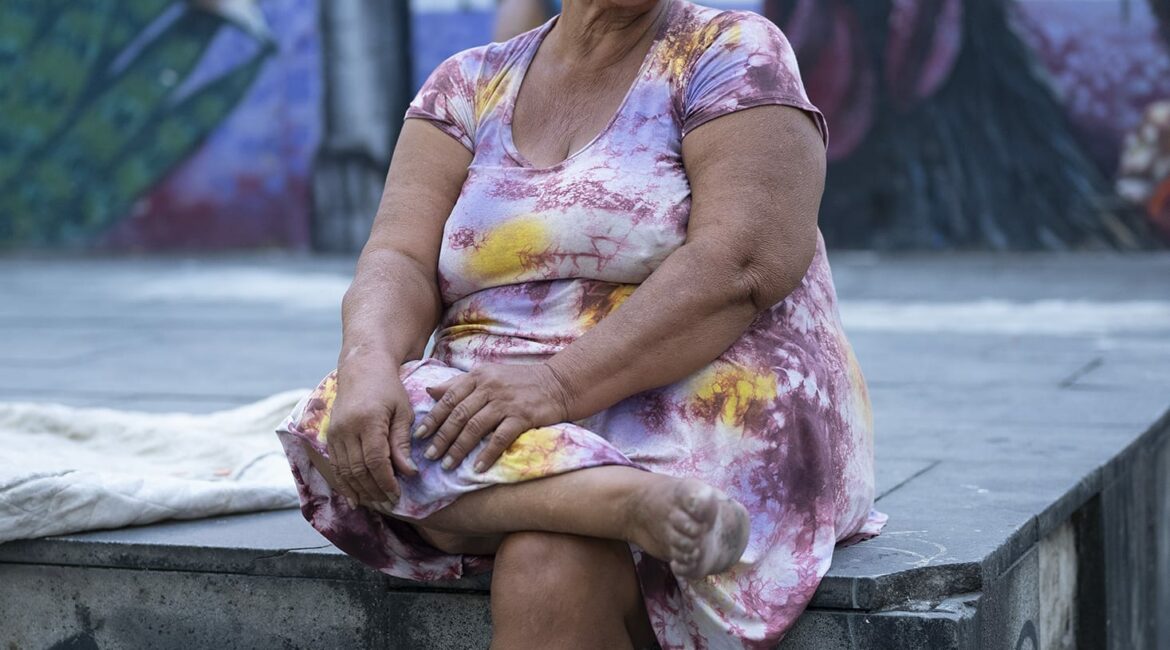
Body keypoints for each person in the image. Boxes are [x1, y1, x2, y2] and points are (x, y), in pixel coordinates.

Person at [275, 0, 886, 646]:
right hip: (503, 417)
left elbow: (746, 262)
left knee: (540, 556)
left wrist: (556, 385)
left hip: (694, 403)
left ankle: (547, 500)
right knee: (350, 411)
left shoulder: (728, 51)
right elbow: (399, 257)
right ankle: (618, 502)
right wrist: (370, 362)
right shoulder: (467, 83)